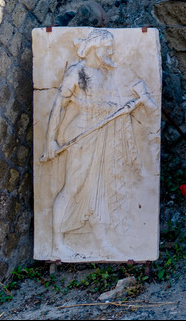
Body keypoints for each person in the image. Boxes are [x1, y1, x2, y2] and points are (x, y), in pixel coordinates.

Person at [42, 28, 154, 260]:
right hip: (81, 134)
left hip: (102, 135)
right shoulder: (77, 72)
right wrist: (50, 141)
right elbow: (58, 107)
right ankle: (56, 243)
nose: (112, 51)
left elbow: (110, 105)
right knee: (73, 188)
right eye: (107, 47)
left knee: (99, 190)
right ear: (94, 47)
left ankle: (102, 242)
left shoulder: (105, 74)